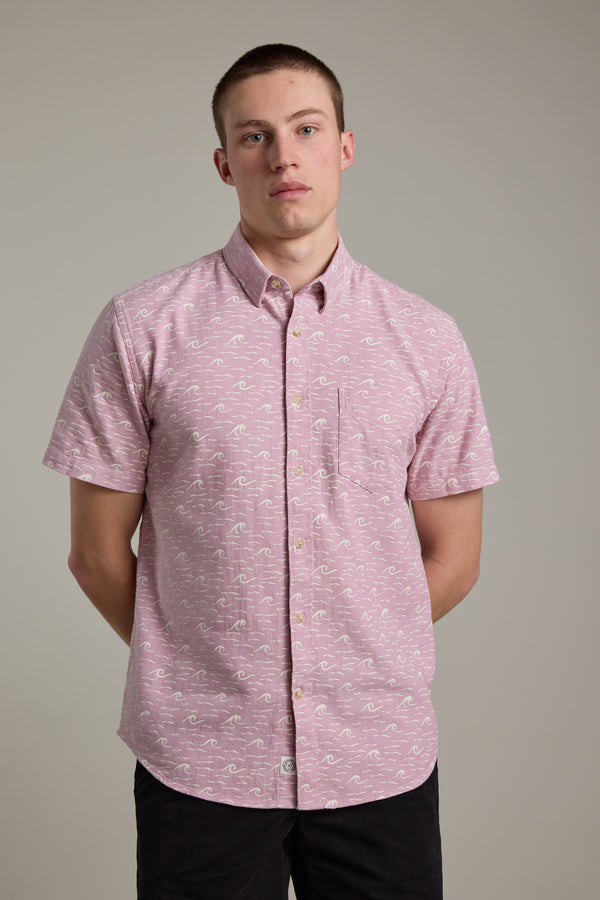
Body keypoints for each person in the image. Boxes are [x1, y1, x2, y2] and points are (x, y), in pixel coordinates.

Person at [44, 43, 499, 900]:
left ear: (344, 147)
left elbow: (456, 557)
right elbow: (96, 555)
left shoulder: (427, 340)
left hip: (379, 757)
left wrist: (352, 645)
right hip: (199, 765)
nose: (283, 155)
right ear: (224, 163)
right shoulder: (142, 327)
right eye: (254, 137)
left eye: (305, 129)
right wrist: (202, 663)